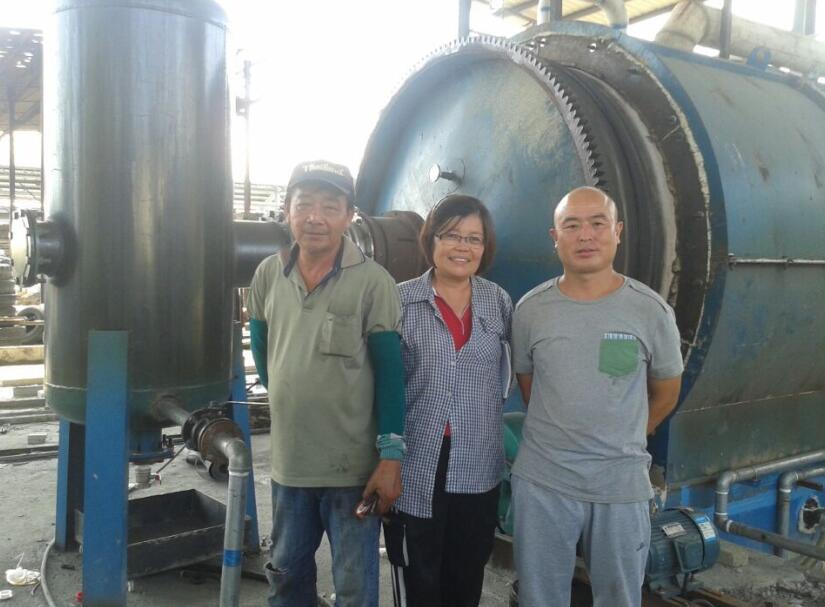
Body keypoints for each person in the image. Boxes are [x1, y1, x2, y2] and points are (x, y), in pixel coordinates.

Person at [510, 186, 683, 607]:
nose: (585, 235)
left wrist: (625, 435)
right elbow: (531, 386)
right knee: (539, 596)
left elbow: (666, 392)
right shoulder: (531, 310)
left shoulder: (650, 311)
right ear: (555, 237)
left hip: (620, 485)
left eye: (597, 223)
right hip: (544, 483)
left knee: (619, 596)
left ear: (617, 231)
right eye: (571, 225)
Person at [246, 160, 406, 607]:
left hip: (352, 471)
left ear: (349, 215)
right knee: (286, 578)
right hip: (289, 465)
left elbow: (391, 375)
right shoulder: (267, 275)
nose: (315, 217)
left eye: (330, 206)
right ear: (287, 210)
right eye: (304, 205)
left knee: (354, 587)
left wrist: (391, 457)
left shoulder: (374, 282)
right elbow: (264, 354)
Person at [385, 194, 513, 607]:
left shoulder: (498, 302)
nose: (463, 247)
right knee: (418, 575)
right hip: (416, 462)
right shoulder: (399, 301)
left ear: (485, 247)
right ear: (432, 240)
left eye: (474, 238)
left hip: (478, 462)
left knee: (466, 573)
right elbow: (381, 387)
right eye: (452, 235)